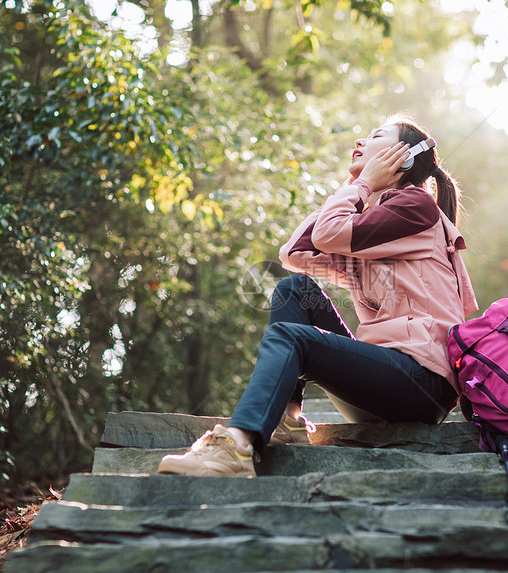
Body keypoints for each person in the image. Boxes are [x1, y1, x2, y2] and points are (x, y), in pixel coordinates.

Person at [158, 113, 478, 477]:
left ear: (402, 157)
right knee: (294, 289)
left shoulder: (415, 206)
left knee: (293, 336)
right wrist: (357, 183)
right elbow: (294, 254)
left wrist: (362, 186)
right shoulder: (381, 222)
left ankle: (237, 445)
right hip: (383, 385)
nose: (360, 142)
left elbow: (325, 237)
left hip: (421, 383)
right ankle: (286, 421)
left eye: (375, 136)